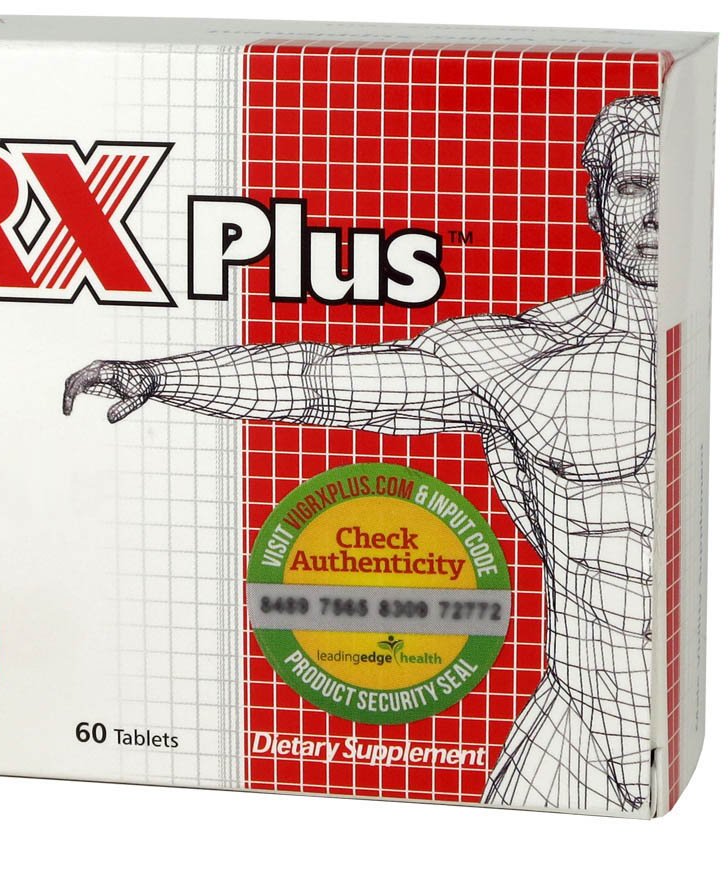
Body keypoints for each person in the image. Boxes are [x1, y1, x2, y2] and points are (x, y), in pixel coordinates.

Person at [62, 95, 660, 812]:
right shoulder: (525, 356)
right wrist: (161, 378)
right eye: (634, 186)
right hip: (582, 727)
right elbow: (323, 383)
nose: (656, 214)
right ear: (594, 206)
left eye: (671, 187)